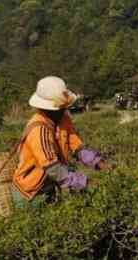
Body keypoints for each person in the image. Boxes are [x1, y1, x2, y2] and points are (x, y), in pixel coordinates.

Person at [12, 76, 110, 206]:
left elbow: (77, 147)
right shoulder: (38, 129)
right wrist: (84, 182)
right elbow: (52, 168)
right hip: (32, 193)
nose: (64, 110)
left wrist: (98, 162)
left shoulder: (63, 119)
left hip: (49, 185)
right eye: (61, 108)